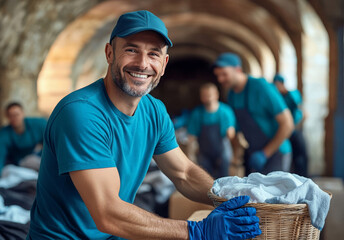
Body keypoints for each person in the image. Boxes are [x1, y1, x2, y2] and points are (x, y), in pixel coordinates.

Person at [27, 10, 261, 240]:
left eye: (153, 54)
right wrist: (195, 231)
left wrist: (228, 195)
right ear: (109, 53)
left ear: (164, 62)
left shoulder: (154, 110)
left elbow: (184, 173)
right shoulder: (81, 113)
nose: (142, 63)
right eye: (131, 50)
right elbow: (108, 213)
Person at [213, 53, 294, 175]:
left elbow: (288, 124)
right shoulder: (232, 95)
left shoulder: (261, 87)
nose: (220, 79)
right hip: (254, 153)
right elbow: (236, 130)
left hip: (276, 152)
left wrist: (264, 154)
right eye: (218, 76)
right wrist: (234, 155)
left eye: (224, 74)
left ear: (238, 70)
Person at [187, 83, 236, 179]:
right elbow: (191, 137)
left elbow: (231, 134)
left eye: (209, 95)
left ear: (216, 95)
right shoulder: (197, 114)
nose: (207, 98)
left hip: (222, 153)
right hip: (204, 153)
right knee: (206, 180)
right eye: (204, 96)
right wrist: (190, 156)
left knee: (224, 178)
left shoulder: (225, 112)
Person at [0, 102, 47, 180]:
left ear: (23, 113)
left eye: (17, 114)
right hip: (16, 164)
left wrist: (42, 156)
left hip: (36, 158)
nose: (14, 118)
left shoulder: (38, 124)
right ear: (7, 117)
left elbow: (51, 141)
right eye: (11, 116)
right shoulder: (3, 134)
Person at [273, 73, 308, 177]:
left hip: (296, 131)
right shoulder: (277, 97)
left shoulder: (292, 95)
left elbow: (302, 112)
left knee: (300, 159)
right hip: (284, 132)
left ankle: (303, 179)